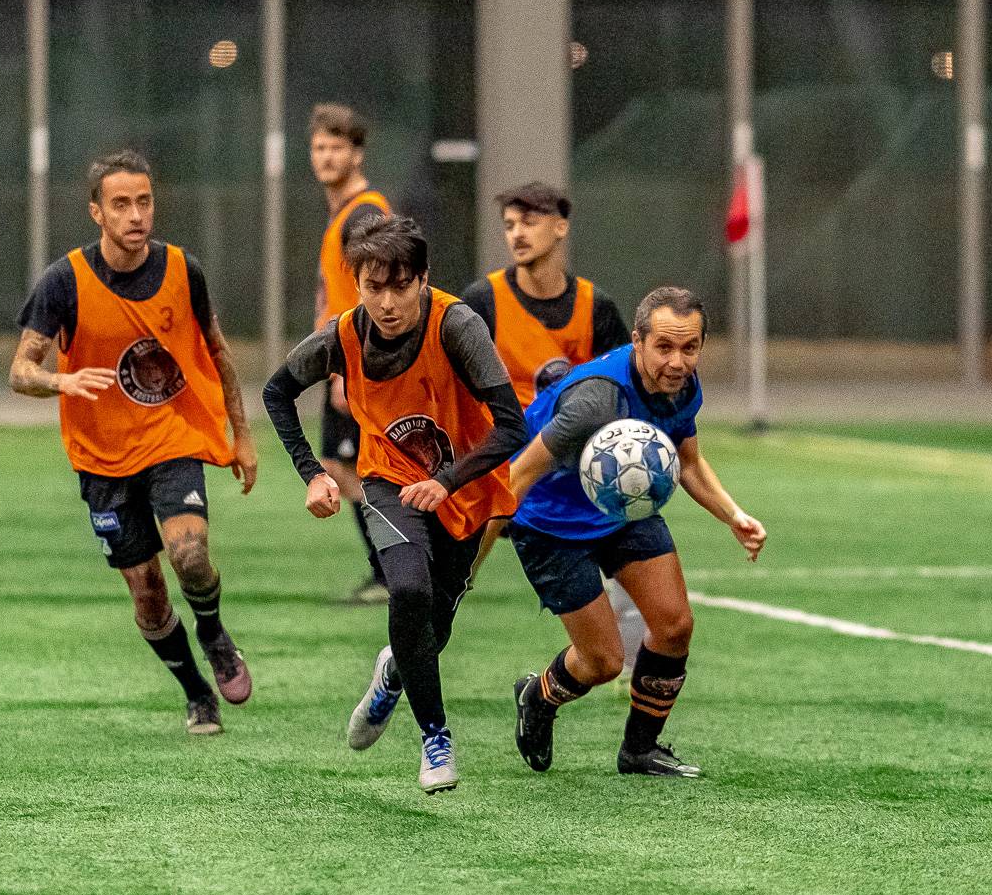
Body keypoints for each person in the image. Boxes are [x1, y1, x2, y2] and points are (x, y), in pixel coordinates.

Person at [263, 214, 527, 792]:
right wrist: (312, 473)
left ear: (423, 280)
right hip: (386, 477)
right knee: (407, 589)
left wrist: (448, 481)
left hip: (466, 487)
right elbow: (276, 392)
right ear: (356, 284)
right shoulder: (343, 335)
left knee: (430, 633)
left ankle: (391, 676)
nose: (387, 303)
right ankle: (436, 738)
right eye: (373, 287)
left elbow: (513, 426)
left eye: (401, 286)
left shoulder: (457, 325)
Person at [10, 149, 256, 735]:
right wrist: (61, 381)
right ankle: (196, 692)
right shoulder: (64, 280)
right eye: (120, 204)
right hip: (102, 458)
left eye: (143, 201)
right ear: (96, 212)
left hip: (173, 440)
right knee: (147, 592)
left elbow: (219, 351)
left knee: (190, 556)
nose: (136, 214)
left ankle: (213, 633)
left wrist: (242, 435)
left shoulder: (183, 270)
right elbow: (20, 370)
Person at [507, 287, 766, 778]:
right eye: (664, 347)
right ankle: (538, 697)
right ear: (637, 341)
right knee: (603, 661)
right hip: (550, 522)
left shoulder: (681, 386)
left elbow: (689, 462)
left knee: (674, 625)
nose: (677, 361)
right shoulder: (596, 402)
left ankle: (640, 751)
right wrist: (469, 554)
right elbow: (516, 476)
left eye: (689, 348)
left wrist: (733, 515)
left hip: (625, 505)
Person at [459, 182, 644, 673]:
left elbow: (623, 390)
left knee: (633, 537)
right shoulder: (484, 300)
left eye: (530, 221)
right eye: (509, 224)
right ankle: (413, 649)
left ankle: (629, 663)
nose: (517, 233)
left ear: (560, 227)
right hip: (505, 461)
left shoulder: (595, 307)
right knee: (453, 571)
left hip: (577, 470)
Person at [309, 103, 393, 604]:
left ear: (357, 153)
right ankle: (390, 569)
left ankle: (393, 570)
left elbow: (379, 290)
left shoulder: (364, 213)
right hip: (343, 358)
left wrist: (351, 366)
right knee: (342, 466)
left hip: (358, 362)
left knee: (362, 469)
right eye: (319, 147)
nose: (326, 156)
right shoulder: (344, 212)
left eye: (336, 147)